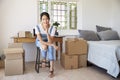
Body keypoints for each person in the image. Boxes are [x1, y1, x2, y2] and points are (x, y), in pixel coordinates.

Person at [35, 12, 59, 78]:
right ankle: (44, 58)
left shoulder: (52, 28)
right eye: (43, 19)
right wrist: (53, 45)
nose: (45, 21)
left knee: (50, 48)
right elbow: (41, 41)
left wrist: (47, 31)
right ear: (41, 20)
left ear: (49, 19)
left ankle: (51, 70)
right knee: (45, 46)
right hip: (39, 42)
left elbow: (50, 41)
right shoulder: (37, 27)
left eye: (47, 19)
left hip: (48, 41)